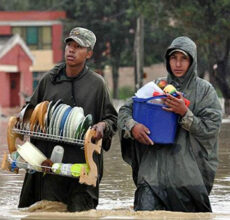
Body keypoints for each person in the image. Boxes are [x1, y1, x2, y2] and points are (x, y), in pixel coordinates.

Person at [117, 36, 222, 212]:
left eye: (183, 58)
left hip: (187, 180)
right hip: (151, 177)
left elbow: (211, 128)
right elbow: (125, 110)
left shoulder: (204, 91)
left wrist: (185, 113)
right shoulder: (157, 86)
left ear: (192, 61)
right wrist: (132, 126)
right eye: (174, 58)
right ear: (168, 60)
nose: (178, 64)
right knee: (144, 214)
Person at [18, 27, 118, 212]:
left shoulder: (97, 84)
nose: (71, 50)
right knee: (46, 210)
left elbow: (111, 119)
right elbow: (29, 112)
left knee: (81, 212)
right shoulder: (50, 79)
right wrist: (24, 118)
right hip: (49, 166)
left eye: (78, 47)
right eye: (69, 45)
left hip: (81, 167)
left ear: (88, 53)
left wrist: (102, 126)